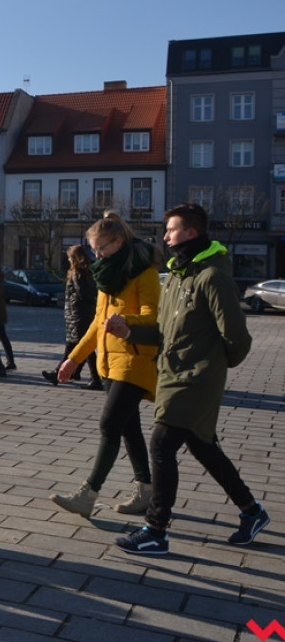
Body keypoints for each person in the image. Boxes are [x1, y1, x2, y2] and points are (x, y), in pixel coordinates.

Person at [108, 204, 268, 555]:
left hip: (194, 381)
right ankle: (252, 511)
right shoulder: (179, 277)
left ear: (191, 233)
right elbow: (164, 332)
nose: (165, 236)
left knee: (162, 444)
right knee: (202, 446)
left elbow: (238, 340)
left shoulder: (212, 277)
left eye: (171, 229)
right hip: (172, 376)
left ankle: (156, 530)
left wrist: (210, 369)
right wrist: (129, 329)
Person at [48, 213, 160, 519]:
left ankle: (88, 494)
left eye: (101, 249)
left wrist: (127, 321)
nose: (96, 255)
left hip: (135, 360)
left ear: (118, 241)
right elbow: (98, 324)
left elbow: (153, 316)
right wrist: (74, 358)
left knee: (109, 425)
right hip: (109, 363)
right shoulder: (108, 274)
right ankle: (146, 491)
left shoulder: (143, 273)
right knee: (128, 428)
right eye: (93, 249)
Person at [42, 244, 101, 390]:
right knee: (76, 345)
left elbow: (82, 293)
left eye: (69, 257)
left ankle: (94, 379)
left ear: (74, 257)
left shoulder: (77, 272)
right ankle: (73, 372)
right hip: (83, 313)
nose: (68, 259)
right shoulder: (89, 270)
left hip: (78, 314)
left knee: (81, 346)